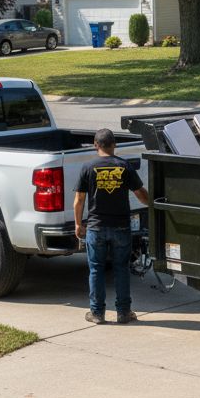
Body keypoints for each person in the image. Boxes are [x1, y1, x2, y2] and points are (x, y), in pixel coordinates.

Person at [74, 128, 149, 325]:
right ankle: (123, 312)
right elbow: (140, 192)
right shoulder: (124, 167)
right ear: (114, 144)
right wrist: (153, 204)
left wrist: (77, 224)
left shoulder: (87, 167)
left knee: (96, 269)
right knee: (121, 269)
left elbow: (79, 200)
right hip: (121, 227)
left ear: (95, 145)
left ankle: (97, 313)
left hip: (96, 227)